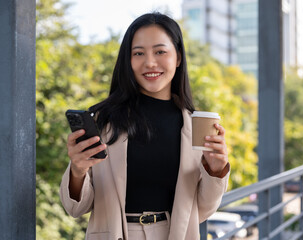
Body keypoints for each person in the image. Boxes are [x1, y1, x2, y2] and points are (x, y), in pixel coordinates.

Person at [60, 12, 230, 240]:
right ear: (127, 60)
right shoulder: (104, 120)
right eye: (138, 53)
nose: (150, 62)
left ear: (178, 58)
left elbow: (202, 209)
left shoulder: (194, 125)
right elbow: (76, 209)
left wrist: (216, 170)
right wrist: (77, 170)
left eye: (160, 51)